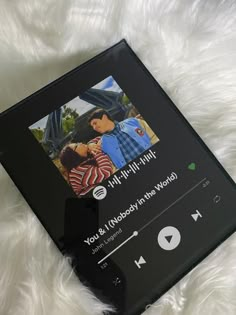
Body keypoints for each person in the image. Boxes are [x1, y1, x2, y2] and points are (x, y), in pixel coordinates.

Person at [88, 109, 159, 169]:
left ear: (104, 117)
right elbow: (111, 167)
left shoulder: (133, 122)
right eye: (92, 126)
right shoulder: (102, 144)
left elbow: (154, 136)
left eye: (95, 123)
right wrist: (89, 145)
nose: (94, 128)